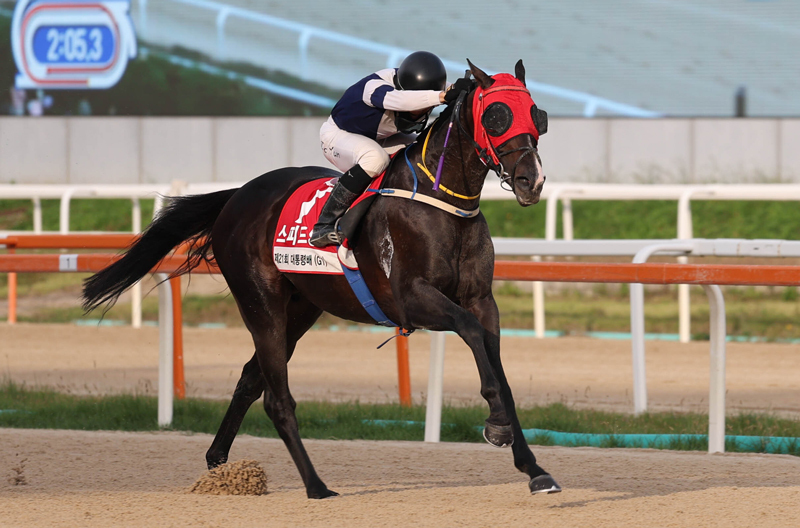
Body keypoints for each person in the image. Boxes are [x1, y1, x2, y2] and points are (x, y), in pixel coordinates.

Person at [311, 51, 471, 247]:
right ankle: (323, 225)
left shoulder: (424, 85)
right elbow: (402, 100)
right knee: (375, 159)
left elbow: (441, 92)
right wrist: (442, 96)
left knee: (420, 151)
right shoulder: (375, 87)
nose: (420, 113)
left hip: (377, 137)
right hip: (338, 135)